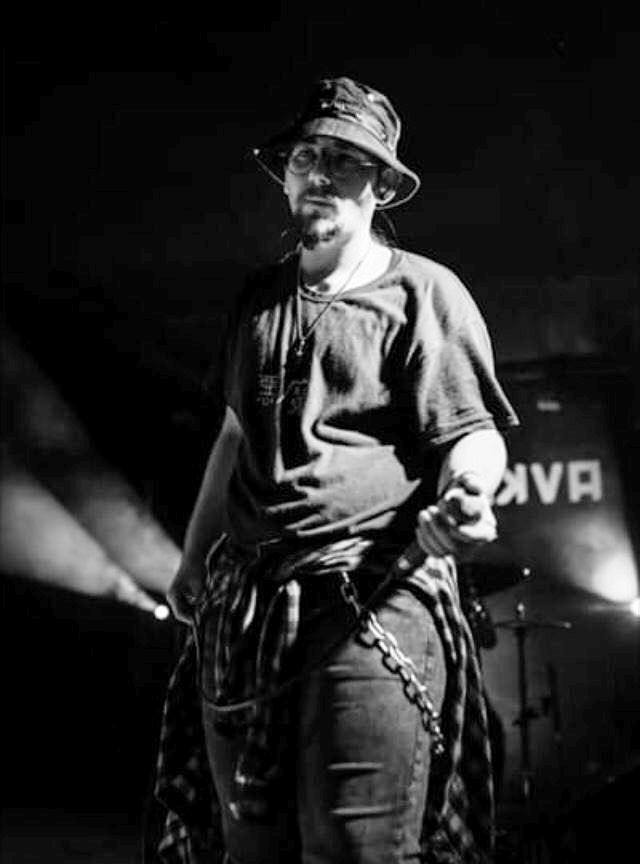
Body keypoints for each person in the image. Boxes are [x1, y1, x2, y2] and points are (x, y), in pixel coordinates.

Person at [155, 76, 519, 864]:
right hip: (247, 604)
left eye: (344, 160)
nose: (319, 172)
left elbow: (474, 432)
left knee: (355, 848)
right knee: (253, 850)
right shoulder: (258, 301)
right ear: (285, 178)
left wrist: (468, 492)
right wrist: (192, 558)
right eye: (305, 157)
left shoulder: (424, 292)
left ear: (381, 184)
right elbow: (234, 437)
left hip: (369, 593)